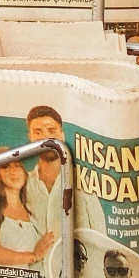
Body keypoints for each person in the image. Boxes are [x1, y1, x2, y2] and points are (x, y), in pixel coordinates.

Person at [22, 104, 106, 243]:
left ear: (62, 134)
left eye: (51, 130)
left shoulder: (83, 181)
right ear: (30, 137)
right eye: (38, 132)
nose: (46, 138)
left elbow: (100, 236)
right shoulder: (23, 185)